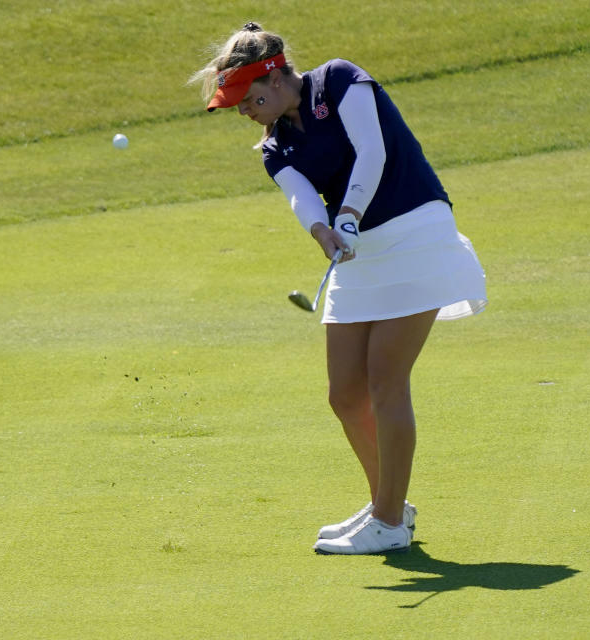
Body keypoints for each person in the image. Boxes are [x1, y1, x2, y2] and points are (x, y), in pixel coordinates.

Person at [190, 22, 487, 555]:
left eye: (246, 98)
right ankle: (386, 506)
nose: (242, 110)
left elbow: (371, 153)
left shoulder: (340, 80)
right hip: (358, 251)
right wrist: (322, 230)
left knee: (385, 380)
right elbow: (301, 197)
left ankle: (390, 523)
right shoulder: (274, 146)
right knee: (345, 393)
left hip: (415, 233)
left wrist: (347, 212)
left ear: (276, 78)